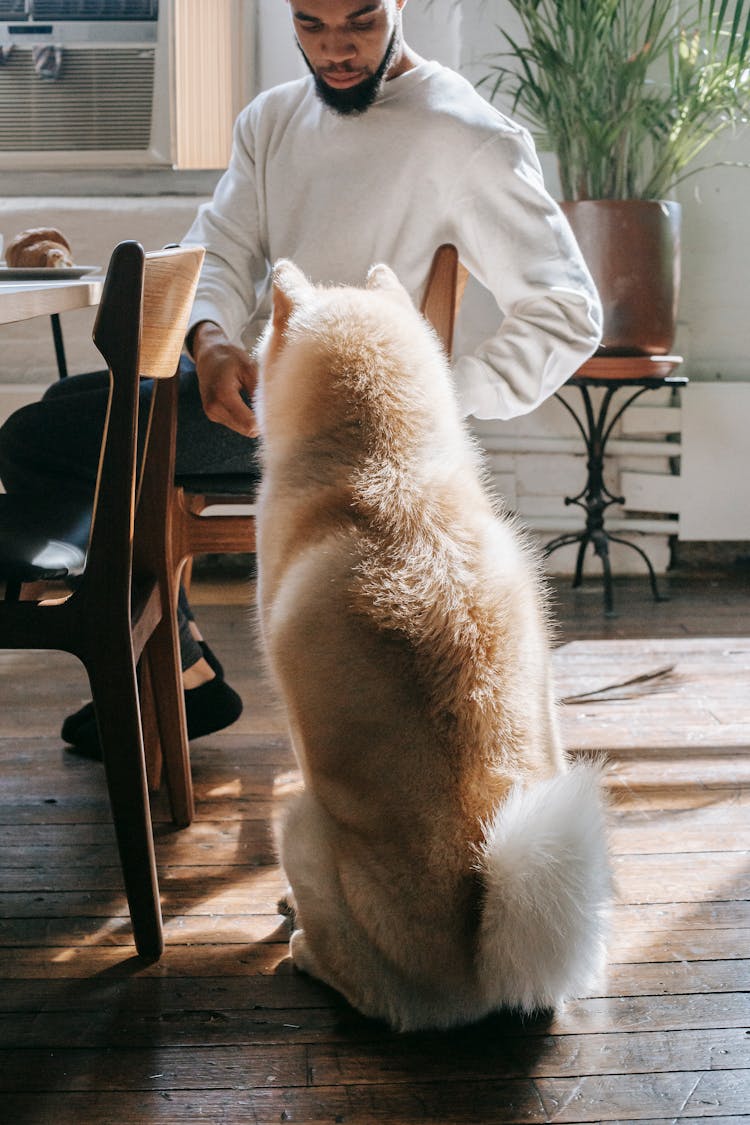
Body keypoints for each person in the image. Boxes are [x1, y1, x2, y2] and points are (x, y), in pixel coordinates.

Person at [0, 0, 602, 759]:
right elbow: (217, 252)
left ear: (400, 6)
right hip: (256, 398)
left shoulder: (465, 135)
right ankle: (176, 664)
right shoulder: (271, 119)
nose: (336, 49)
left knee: (33, 439)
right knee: (70, 410)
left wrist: (430, 398)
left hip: (345, 429)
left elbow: (569, 312)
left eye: (361, 22)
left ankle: (171, 667)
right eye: (311, 24)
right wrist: (212, 338)